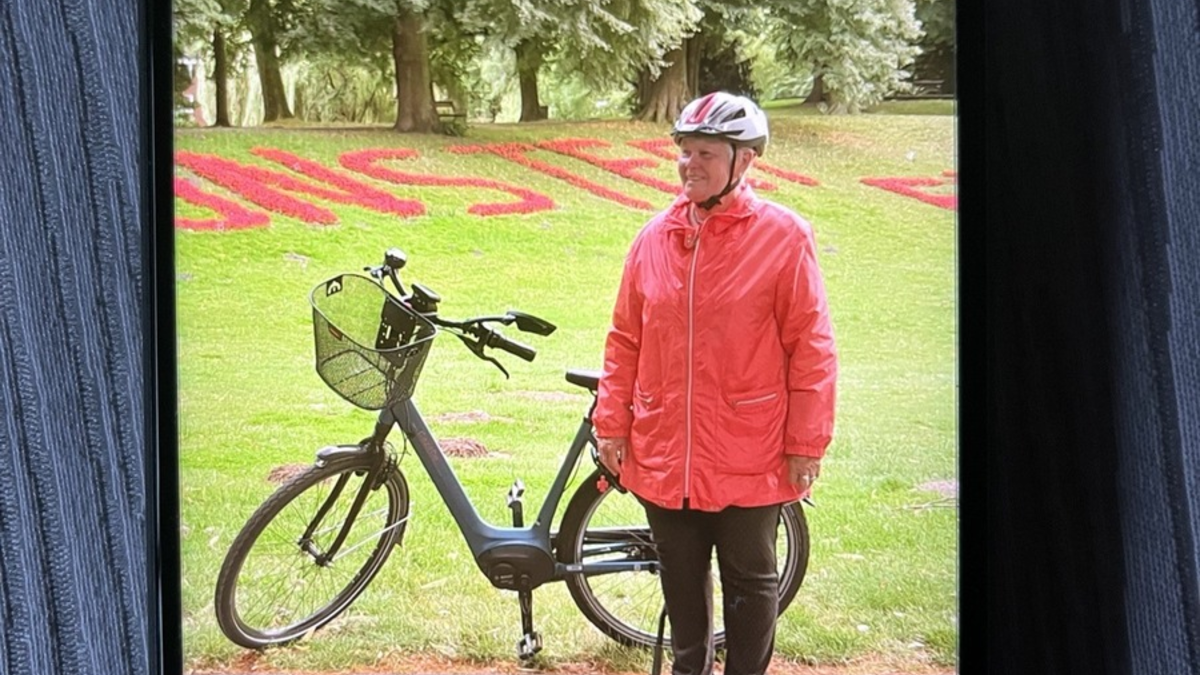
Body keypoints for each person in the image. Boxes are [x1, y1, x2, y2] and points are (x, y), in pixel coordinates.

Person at [592, 91, 838, 675]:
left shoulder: (784, 237)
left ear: (744, 161)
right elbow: (625, 338)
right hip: (664, 447)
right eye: (683, 152)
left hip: (748, 448)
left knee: (751, 583)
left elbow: (811, 346)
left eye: (706, 152)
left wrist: (806, 443)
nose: (690, 165)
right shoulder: (652, 238)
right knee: (680, 581)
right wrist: (612, 425)